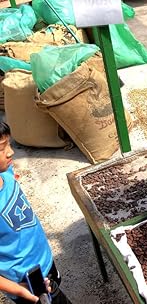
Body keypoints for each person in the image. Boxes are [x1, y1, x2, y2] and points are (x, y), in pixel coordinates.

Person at [0, 122, 72, 303]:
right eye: (2, 148)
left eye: (8, 144)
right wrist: (19, 290)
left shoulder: (5, 172)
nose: (11, 152)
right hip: (26, 283)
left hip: (44, 260)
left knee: (56, 286)